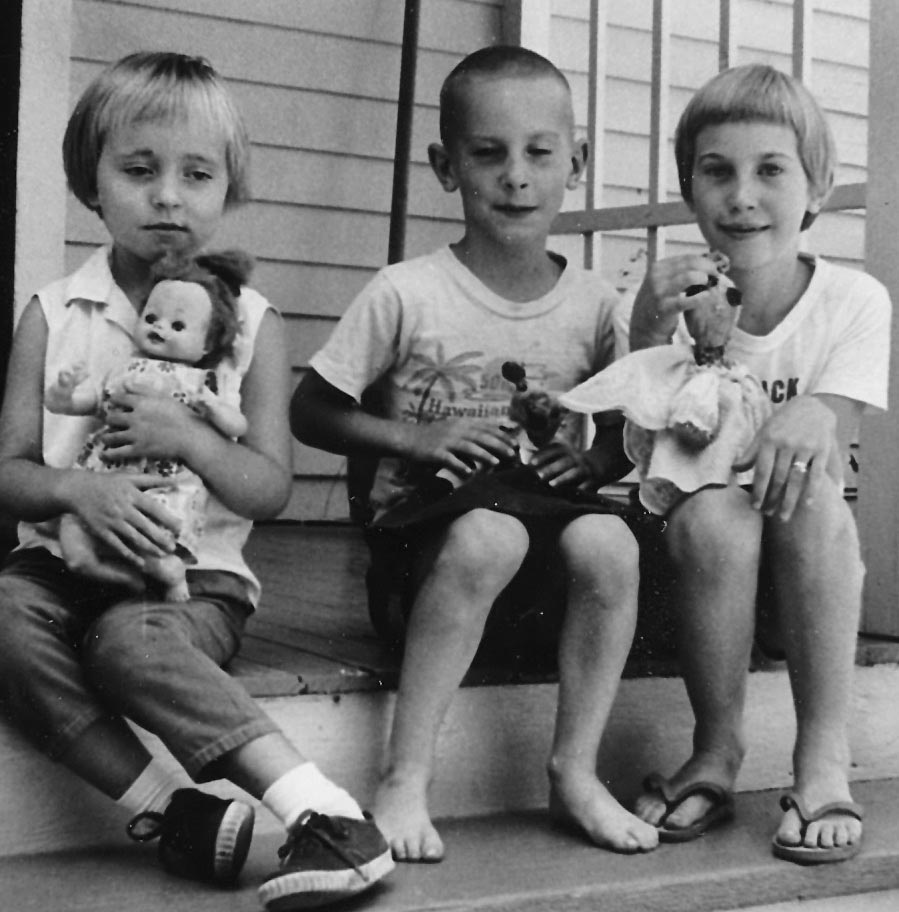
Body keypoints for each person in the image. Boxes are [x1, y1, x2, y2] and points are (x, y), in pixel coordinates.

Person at [0, 52, 393, 911]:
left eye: (196, 174)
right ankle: (172, 813)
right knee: (3, 617)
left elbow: (267, 489)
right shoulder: (56, 313)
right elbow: (9, 473)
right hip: (58, 564)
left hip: (191, 579)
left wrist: (190, 438)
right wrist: (75, 491)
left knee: (130, 643)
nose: (168, 196)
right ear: (91, 183)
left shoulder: (254, 323)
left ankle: (327, 816)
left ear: (229, 189)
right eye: (139, 170)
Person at [291, 45, 660, 863]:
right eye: (487, 154)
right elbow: (309, 409)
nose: (516, 177)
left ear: (577, 160)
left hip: (541, 595)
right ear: (445, 166)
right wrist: (414, 438)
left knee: (608, 537)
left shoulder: (597, 303)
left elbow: (636, 419)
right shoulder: (406, 291)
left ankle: (574, 772)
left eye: (538, 153)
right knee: (490, 532)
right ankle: (405, 776)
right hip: (426, 566)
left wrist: (597, 466)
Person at [626, 64, 890, 864]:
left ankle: (820, 757)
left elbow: (834, 414)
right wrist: (643, 330)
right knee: (713, 510)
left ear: (816, 187)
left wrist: (812, 409)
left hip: (806, 584)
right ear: (688, 187)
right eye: (717, 171)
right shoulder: (667, 304)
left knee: (810, 496)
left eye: (769, 170)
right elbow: (637, 442)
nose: (741, 195)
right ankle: (715, 749)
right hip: (699, 576)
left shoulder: (852, 299)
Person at [46, 249, 251, 601]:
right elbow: (88, 403)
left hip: (161, 486)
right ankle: (99, 570)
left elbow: (238, 425)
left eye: (178, 326)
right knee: (71, 530)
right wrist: (64, 394)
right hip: (104, 483)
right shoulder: (121, 367)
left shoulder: (199, 383)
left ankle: (167, 574)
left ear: (206, 345)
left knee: (152, 535)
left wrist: (213, 409)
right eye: (152, 316)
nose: (159, 327)